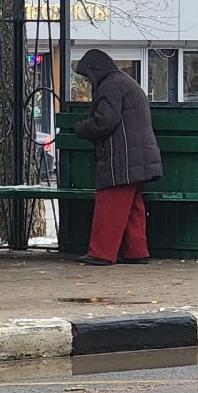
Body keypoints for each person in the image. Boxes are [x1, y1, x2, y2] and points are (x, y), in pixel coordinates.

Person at [71, 49, 163, 265]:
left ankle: (101, 253)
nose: (87, 81)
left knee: (110, 203)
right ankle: (136, 251)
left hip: (121, 157)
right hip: (139, 156)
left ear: (94, 70)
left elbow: (105, 121)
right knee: (132, 208)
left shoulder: (110, 86)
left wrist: (81, 128)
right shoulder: (124, 82)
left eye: (87, 76)